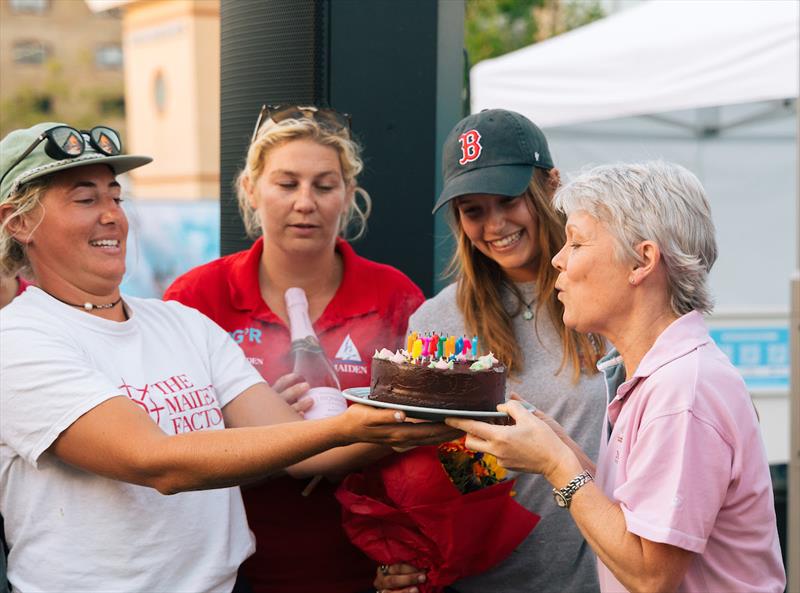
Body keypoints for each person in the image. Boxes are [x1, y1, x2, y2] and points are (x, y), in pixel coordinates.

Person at [0, 122, 457, 592]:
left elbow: (299, 448)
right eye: (85, 199)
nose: (112, 215)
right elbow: (158, 463)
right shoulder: (17, 341)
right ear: (18, 221)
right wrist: (346, 425)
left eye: (115, 197)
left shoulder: (180, 322)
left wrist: (445, 416)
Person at [447, 161, 786, 593]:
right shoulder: (665, 375)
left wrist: (555, 463)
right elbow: (635, 514)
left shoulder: (682, 390)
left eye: (577, 243)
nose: (557, 260)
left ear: (641, 261)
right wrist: (555, 442)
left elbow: (650, 574)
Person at [163, 105, 425, 593]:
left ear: (348, 196)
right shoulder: (196, 298)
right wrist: (263, 428)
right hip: (227, 577)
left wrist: (408, 553)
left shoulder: (396, 298)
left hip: (363, 572)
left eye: (324, 186)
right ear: (251, 190)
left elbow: (431, 444)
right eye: (286, 184)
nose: (305, 202)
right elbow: (169, 445)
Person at [375, 109, 607, 593]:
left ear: (551, 186)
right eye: (473, 210)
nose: (495, 224)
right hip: (483, 581)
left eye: (507, 200)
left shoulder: (607, 295)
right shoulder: (438, 323)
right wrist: (411, 559)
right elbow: (442, 473)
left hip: (606, 576)